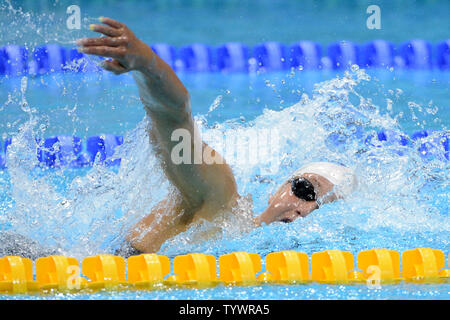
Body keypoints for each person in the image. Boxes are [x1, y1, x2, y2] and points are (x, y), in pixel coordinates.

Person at [75, 17, 358, 255]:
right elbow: (176, 119)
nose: (305, 209)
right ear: (276, 189)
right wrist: (147, 64)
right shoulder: (221, 203)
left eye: (321, 209)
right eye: (304, 189)